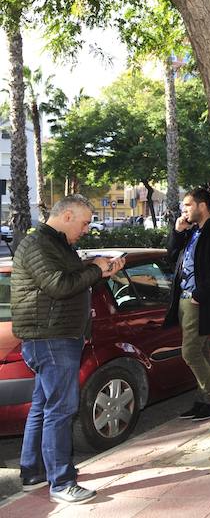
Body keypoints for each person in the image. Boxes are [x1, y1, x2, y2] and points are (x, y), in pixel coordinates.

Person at [12, 195, 125, 505]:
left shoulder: (54, 244)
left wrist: (98, 269)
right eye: (85, 222)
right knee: (60, 410)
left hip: (54, 336)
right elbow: (59, 286)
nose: (87, 228)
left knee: (44, 406)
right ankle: (61, 483)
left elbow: (68, 279)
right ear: (67, 216)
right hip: (51, 338)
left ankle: (33, 472)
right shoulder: (38, 245)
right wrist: (96, 270)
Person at [166, 188, 210, 422]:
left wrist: (199, 294)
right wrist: (177, 232)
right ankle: (203, 400)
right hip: (184, 299)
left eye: (187, 205)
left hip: (198, 299)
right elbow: (171, 257)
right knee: (202, 351)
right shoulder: (191, 231)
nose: (184, 210)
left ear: (202, 206)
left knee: (190, 351)